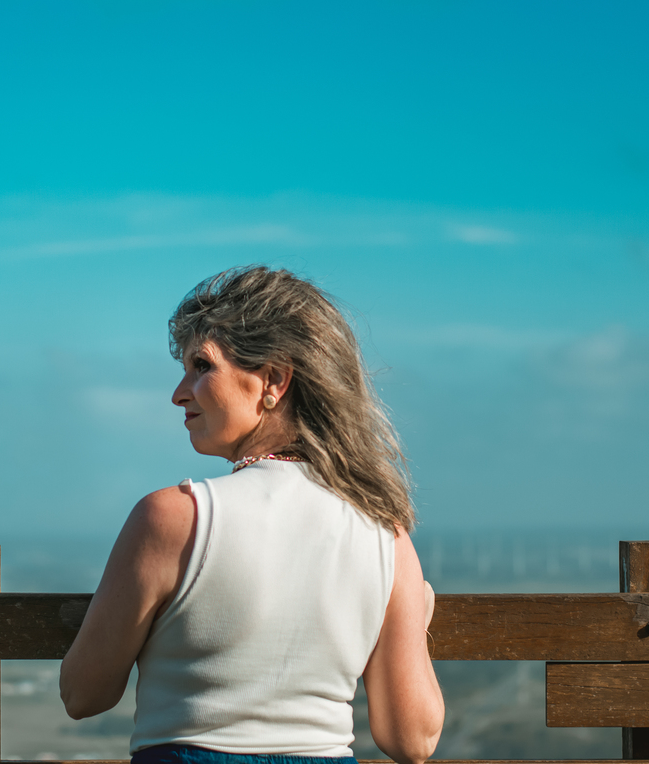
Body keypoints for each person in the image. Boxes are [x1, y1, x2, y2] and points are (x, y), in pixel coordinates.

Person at [60, 266, 444, 764]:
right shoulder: (385, 535)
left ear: (274, 380)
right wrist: (412, 620)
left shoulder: (173, 519)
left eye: (202, 365)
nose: (179, 392)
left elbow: (83, 695)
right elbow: (413, 740)